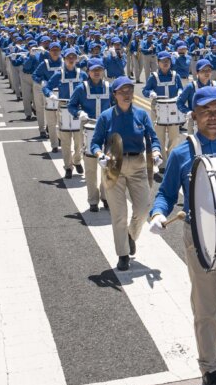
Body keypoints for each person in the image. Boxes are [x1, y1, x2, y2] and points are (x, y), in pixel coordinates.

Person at [149, 86, 216, 385]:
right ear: (194, 115)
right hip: (199, 238)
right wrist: (157, 213)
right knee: (205, 308)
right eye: (206, 111)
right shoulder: (182, 152)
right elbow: (167, 193)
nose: (213, 117)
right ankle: (209, 369)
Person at [88, 77, 162, 273]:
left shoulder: (141, 115)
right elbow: (94, 143)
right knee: (119, 214)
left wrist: (155, 152)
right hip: (113, 165)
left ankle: (131, 235)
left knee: (144, 207)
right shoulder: (106, 116)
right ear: (115, 95)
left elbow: (153, 138)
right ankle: (123, 254)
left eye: (130, 90)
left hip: (137, 164)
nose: (127, 93)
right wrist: (99, 155)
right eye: (122, 91)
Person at [69, 59, 113, 212]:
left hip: (108, 130)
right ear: (88, 71)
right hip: (89, 129)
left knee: (107, 166)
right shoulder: (82, 88)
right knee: (90, 168)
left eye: (99, 69)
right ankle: (93, 200)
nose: (97, 72)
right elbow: (71, 105)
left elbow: (118, 104)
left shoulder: (109, 87)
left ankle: (106, 196)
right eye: (94, 70)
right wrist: (79, 112)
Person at [43, 48, 89, 176]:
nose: (71, 59)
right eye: (69, 57)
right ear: (64, 59)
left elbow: (89, 88)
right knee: (65, 141)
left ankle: (77, 161)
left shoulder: (82, 74)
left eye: (73, 56)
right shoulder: (59, 74)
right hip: (63, 108)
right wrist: (50, 94)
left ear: (76, 59)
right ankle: (68, 167)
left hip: (78, 110)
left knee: (79, 141)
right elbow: (46, 87)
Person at [143, 51, 185, 159]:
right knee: (159, 136)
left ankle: (171, 157)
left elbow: (181, 88)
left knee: (174, 136)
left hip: (173, 109)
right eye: (162, 61)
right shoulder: (154, 77)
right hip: (158, 109)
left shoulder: (176, 76)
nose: (165, 63)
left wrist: (180, 92)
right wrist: (150, 93)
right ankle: (162, 162)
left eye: (167, 61)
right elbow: (145, 90)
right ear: (158, 63)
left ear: (170, 62)